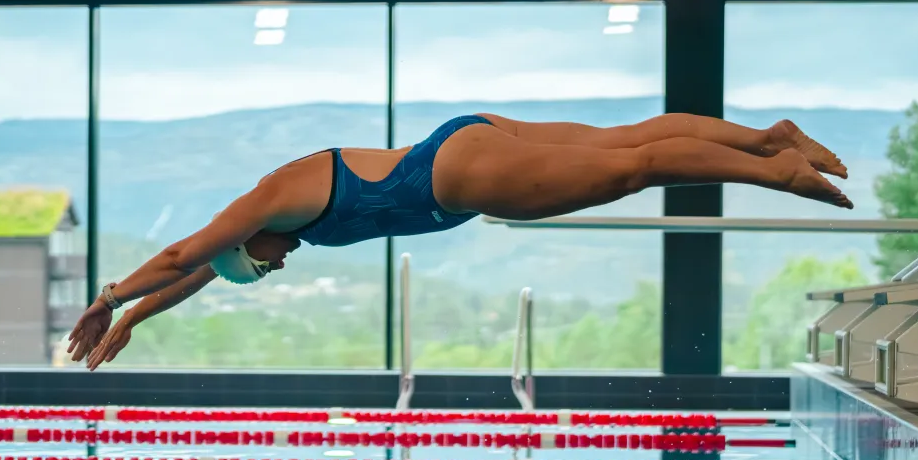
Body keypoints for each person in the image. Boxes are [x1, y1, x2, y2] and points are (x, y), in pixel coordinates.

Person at [66, 112, 850, 368]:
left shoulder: (268, 201)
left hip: (452, 180)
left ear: (248, 245)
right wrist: (138, 319)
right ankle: (765, 139)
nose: (271, 270)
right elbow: (192, 275)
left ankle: (775, 171)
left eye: (256, 269)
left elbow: (181, 256)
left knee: (631, 171)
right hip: (460, 149)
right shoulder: (277, 221)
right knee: (623, 144)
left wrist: (106, 298)